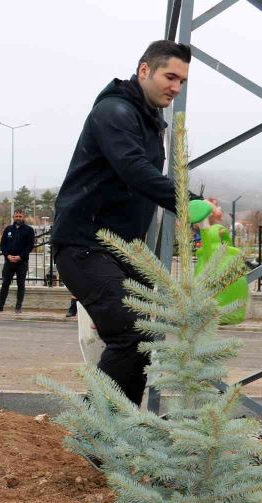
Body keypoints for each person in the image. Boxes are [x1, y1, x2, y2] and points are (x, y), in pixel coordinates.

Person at [51, 40, 191, 406]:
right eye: (170, 76)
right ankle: (94, 427)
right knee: (128, 334)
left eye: (182, 82)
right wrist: (188, 202)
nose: (175, 87)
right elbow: (134, 170)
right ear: (144, 70)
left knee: (143, 339)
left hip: (126, 250)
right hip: (85, 245)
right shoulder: (113, 112)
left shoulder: (149, 122)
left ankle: (123, 435)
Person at [0, 209, 35, 314]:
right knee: (5, 284)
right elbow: (3, 245)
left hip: (22, 262)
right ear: (13, 217)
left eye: (20, 216)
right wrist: (7, 255)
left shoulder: (29, 230)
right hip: (9, 261)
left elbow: (30, 246)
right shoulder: (8, 229)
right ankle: (0, 306)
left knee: (21, 284)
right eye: (16, 216)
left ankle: (18, 306)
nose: (18, 218)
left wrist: (20, 256)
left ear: (23, 217)